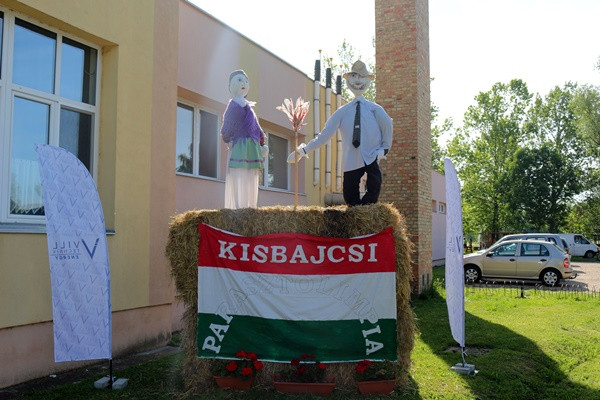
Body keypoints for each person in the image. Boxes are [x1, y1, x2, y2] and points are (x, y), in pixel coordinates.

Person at [287, 60, 393, 206]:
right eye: (354, 76)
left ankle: (365, 211)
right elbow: (324, 135)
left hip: (371, 156)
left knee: (374, 187)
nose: (358, 80)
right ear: (349, 79)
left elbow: (387, 128)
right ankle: (355, 212)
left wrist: (384, 150)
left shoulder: (375, 110)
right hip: (351, 160)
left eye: (361, 76)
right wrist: (303, 150)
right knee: (349, 195)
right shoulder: (342, 112)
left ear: (367, 79)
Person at [221, 70, 268, 209]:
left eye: (246, 81)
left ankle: (250, 208)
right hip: (239, 148)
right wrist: (228, 140)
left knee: (250, 178)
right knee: (239, 176)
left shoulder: (250, 109)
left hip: (251, 148)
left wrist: (261, 142)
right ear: (231, 85)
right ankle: (238, 208)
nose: (243, 83)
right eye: (239, 80)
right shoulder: (232, 107)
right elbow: (226, 126)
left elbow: (256, 127)